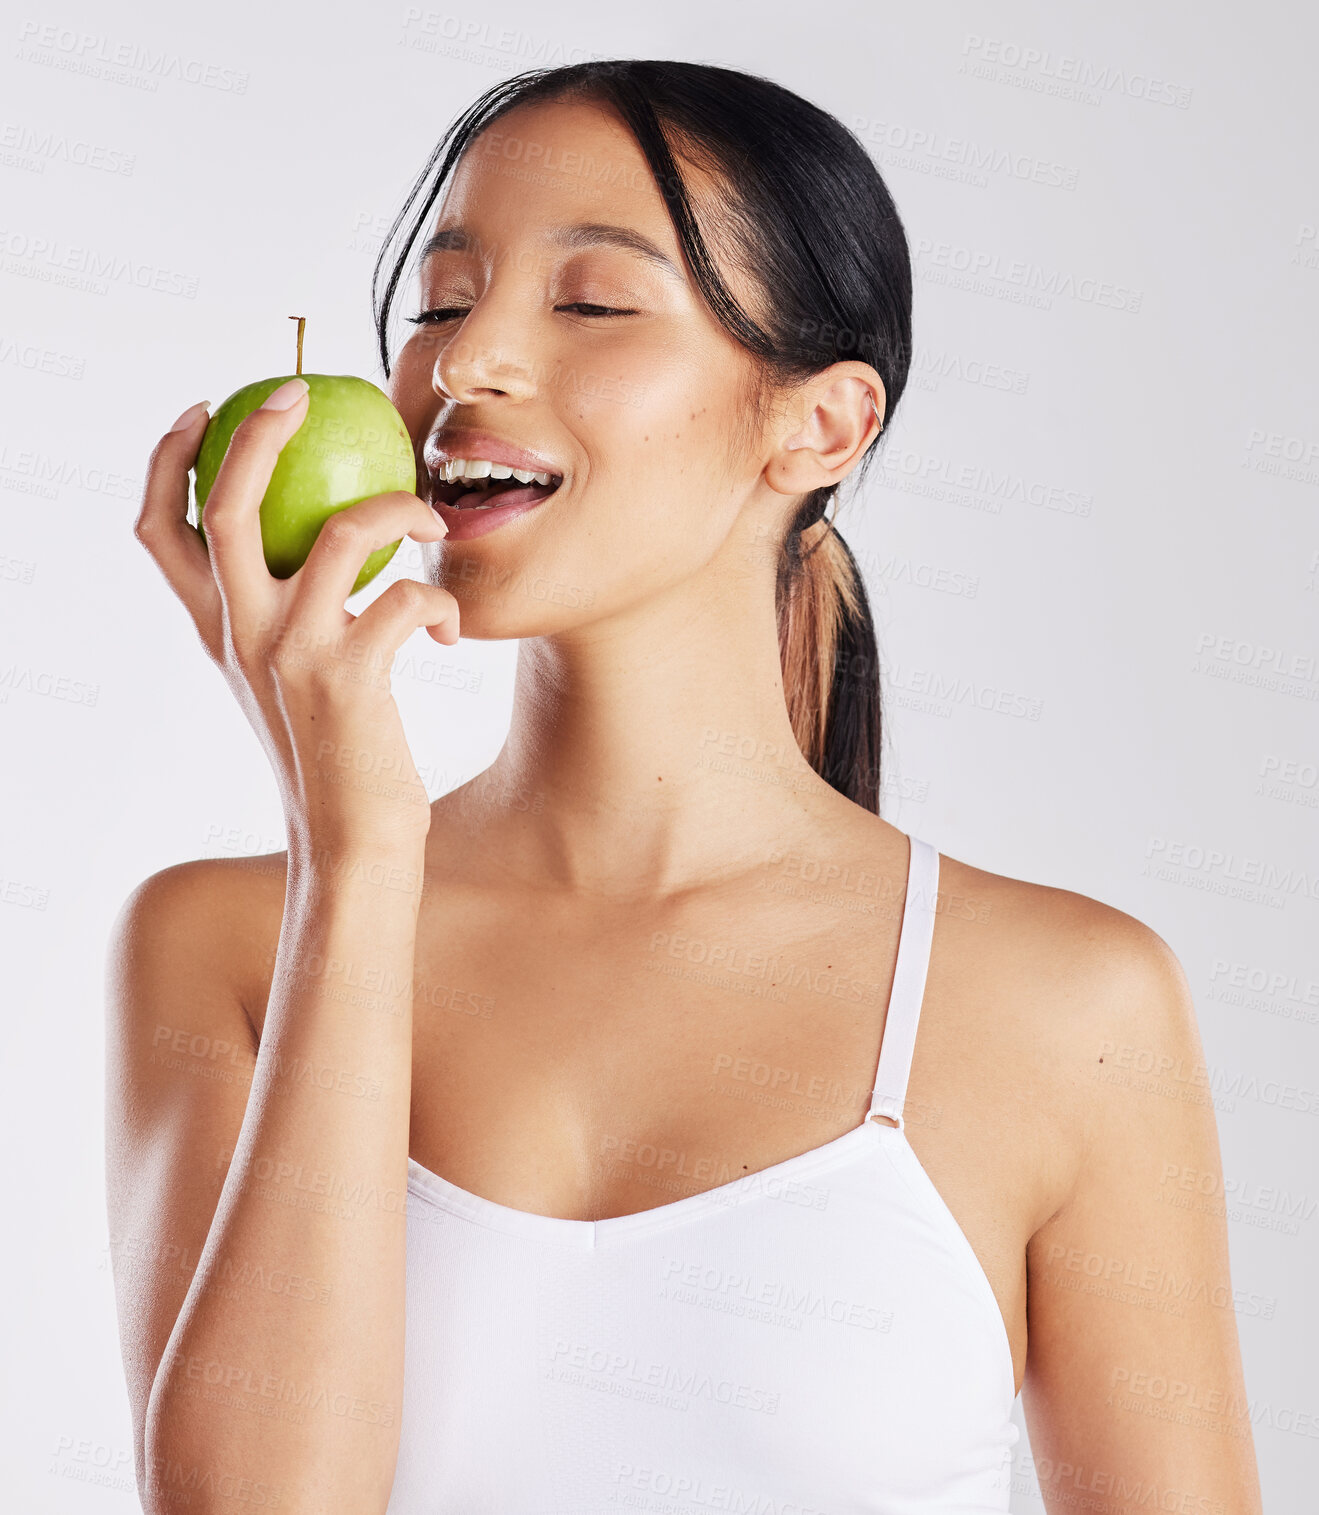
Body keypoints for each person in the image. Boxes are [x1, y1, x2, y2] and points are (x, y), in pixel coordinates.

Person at [108, 59, 1263, 1514]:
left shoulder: (1069, 1004)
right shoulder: (221, 948)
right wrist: (354, 863)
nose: (466, 368)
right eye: (446, 302)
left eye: (589, 303)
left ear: (823, 426)